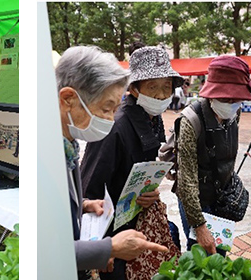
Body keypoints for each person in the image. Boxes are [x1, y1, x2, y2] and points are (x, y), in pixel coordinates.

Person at [55, 45, 168, 279]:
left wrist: (84, 204)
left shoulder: (69, 144)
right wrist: (106, 248)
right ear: (68, 98)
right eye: (107, 109)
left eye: (115, 109)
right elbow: (47, 248)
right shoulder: (48, 154)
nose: (109, 118)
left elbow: (74, 196)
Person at [80, 46, 181, 280]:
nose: (160, 95)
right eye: (152, 87)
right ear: (135, 89)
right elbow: (89, 189)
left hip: (135, 223)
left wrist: (150, 193)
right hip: (112, 232)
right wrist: (101, 249)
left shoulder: (152, 118)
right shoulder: (115, 127)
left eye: (166, 87)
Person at [172, 55, 251, 256]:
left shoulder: (235, 112)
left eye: (237, 99)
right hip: (196, 200)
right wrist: (199, 225)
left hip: (221, 198)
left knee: (219, 254)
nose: (232, 104)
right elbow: (187, 180)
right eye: (226, 99)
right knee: (200, 254)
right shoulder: (191, 121)